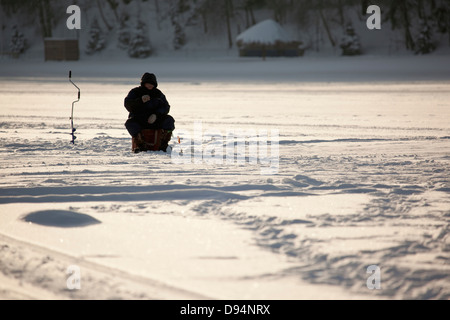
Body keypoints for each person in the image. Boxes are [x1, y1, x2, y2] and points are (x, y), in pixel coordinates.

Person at [124, 73, 175, 152]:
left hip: (155, 119)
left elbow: (166, 107)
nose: (150, 85)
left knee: (169, 120)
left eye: (152, 84)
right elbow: (128, 105)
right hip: (139, 119)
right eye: (148, 83)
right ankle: (140, 145)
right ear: (143, 83)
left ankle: (163, 144)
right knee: (130, 123)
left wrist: (156, 115)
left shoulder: (158, 94)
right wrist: (140, 100)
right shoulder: (135, 92)